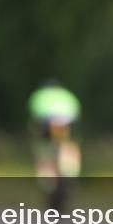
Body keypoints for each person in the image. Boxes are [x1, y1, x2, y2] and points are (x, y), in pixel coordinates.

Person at [28, 80, 82, 211]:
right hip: (68, 123)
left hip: (46, 124)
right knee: (67, 146)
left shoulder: (40, 95)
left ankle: (48, 179)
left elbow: (34, 118)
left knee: (44, 151)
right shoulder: (67, 95)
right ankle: (69, 171)